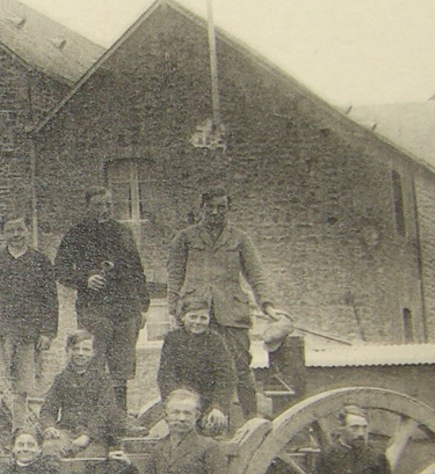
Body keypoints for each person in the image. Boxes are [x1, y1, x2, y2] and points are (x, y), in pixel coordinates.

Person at [166, 187, 282, 423]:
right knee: (195, 370)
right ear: (202, 209)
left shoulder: (240, 239)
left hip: (231, 314)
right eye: (211, 208)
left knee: (240, 367)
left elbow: (256, 274)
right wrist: (174, 310)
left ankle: (252, 419)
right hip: (197, 313)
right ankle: (198, 421)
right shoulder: (186, 238)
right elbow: (174, 276)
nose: (216, 213)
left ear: (229, 210)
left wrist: (268, 306)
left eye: (222, 208)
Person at [53, 187, 151, 429]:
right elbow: (61, 270)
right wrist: (85, 279)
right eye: (98, 205)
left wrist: (144, 305)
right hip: (94, 311)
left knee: (121, 369)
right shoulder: (76, 234)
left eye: (108, 204)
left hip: (126, 309)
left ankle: (120, 419)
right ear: (87, 206)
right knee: (93, 365)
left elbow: (137, 270)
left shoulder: (123, 233)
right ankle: (90, 421)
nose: (104, 210)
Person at [0, 211, 59, 454]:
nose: (16, 235)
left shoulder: (40, 262)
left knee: (23, 387)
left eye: (20, 230)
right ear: (3, 233)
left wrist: (48, 331)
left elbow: (50, 300)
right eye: (10, 230)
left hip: (28, 333)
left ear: (28, 231)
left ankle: (20, 433)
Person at [39, 329, 120, 474]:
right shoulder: (62, 379)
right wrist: (49, 427)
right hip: (66, 432)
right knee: (49, 458)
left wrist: (89, 435)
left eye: (86, 349)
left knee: (84, 466)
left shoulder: (103, 380)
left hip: (94, 436)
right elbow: (47, 410)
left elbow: (106, 412)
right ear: (68, 351)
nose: (81, 354)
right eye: (76, 349)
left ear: (93, 353)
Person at [156, 295, 237, 436]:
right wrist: (174, 402)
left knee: (213, 430)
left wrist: (218, 407)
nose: (198, 322)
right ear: (183, 317)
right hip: (182, 399)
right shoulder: (173, 339)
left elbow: (226, 377)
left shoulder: (215, 341)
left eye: (203, 318)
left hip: (209, 400)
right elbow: (166, 374)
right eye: (193, 317)